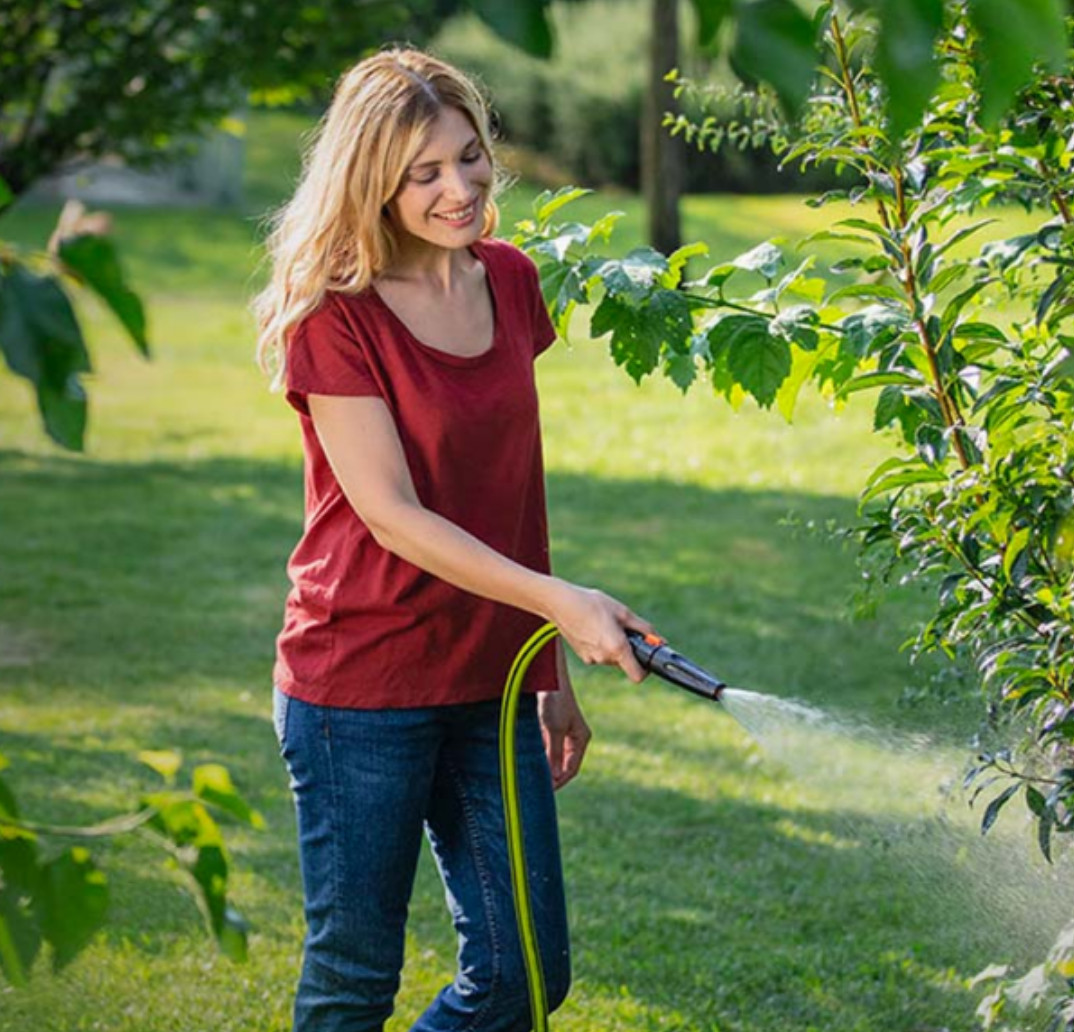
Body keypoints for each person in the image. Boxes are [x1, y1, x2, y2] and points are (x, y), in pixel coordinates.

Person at [253, 47, 654, 1032]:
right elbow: (391, 513)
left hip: (493, 680)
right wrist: (560, 602)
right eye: (423, 173)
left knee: (525, 977)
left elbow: (511, 485)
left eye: (469, 157)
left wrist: (546, 660)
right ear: (372, 182)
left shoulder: (510, 282)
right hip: (360, 686)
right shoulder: (335, 318)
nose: (460, 188)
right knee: (353, 981)